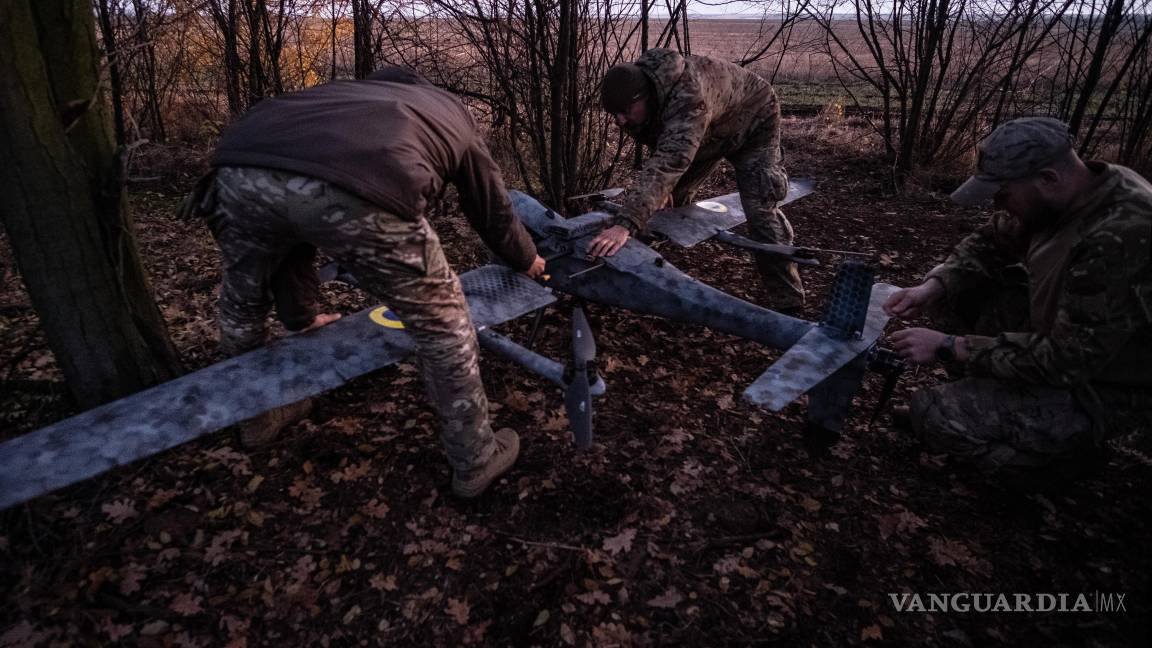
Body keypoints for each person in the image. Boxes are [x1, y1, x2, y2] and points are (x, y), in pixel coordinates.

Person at [195, 66, 546, 498]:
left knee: (242, 304)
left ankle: (256, 419)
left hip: (235, 171)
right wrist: (527, 259)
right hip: (361, 186)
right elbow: (490, 206)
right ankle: (476, 460)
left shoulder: (335, 97)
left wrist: (300, 316)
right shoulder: (447, 110)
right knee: (443, 322)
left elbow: (290, 229)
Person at [885, 117, 1152, 476]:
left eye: (1003, 193)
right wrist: (935, 285)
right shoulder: (1069, 191)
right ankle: (984, 398)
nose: (997, 204)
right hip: (1066, 345)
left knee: (936, 417)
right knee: (956, 291)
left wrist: (950, 345)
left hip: (1106, 390)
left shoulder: (1120, 235)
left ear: (1048, 179)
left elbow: (1066, 360)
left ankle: (1065, 462)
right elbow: (990, 242)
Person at [590, 49, 806, 314]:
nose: (620, 120)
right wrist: (665, 188)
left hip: (753, 122)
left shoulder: (687, 98)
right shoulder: (642, 97)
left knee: (760, 210)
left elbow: (670, 159)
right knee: (661, 205)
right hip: (708, 134)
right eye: (614, 114)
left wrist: (625, 223)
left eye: (624, 111)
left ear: (643, 97)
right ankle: (647, 278)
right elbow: (664, 148)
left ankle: (789, 303)